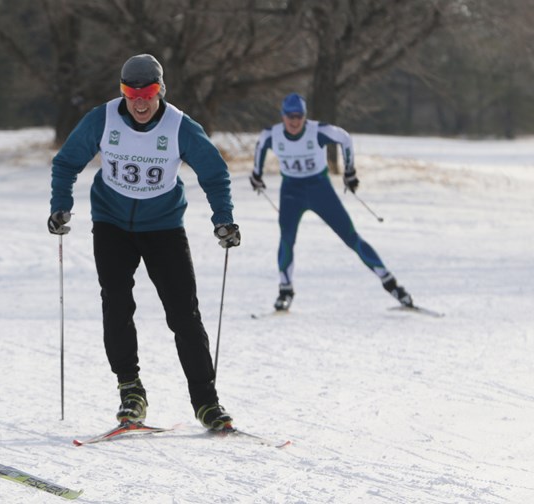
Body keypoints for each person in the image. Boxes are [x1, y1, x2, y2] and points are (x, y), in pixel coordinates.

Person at [48, 54, 241, 432]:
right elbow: (66, 163)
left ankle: (206, 402)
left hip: (164, 226)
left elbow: (215, 173)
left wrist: (224, 220)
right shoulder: (101, 119)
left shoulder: (179, 126)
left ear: (160, 91)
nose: (138, 102)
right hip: (111, 224)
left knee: (184, 313)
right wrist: (61, 206)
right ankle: (130, 391)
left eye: (147, 93)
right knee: (116, 303)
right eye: (130, 93)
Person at [249, 92, 414, 311]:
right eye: (290, 117)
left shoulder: (317, 131)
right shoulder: (273, 135)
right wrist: (256, 174)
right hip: (291, 192)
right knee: (287, 239)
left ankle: (391, 284)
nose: (295, 121)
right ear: (283, 116)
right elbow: (261, 145)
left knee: (351, 237)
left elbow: (344, 138)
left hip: (320, 189)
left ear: (305, 116)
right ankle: (285, 290)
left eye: (299, 116)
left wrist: (350, 171)